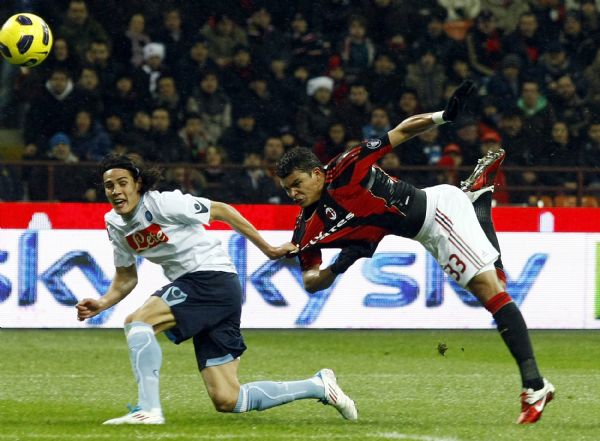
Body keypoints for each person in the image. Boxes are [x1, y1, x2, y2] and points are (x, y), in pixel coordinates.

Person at [275, 81, 554, 425]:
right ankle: (478, 200)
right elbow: (310, 282)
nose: (292, 193)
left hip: (438, 214)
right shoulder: (306, 229)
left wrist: (444, 116)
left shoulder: (345, 168)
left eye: (297, 184)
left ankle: (534, 387)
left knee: (491, 292)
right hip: (429, 234)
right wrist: (339, 265)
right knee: (494, 283)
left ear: (316, 174)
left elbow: (400, 131)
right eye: (286, 189)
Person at [75, 153, 357, 425]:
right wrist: (103, 302)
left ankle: (148, 409)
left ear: (137, 183)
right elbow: (126, 277)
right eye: (109, 185)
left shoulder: (162, 204)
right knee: (228, 398)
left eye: (122, 182)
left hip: (210, 279)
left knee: (138, 322)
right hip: (211, 290)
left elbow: (222, 210)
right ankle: (318, 386)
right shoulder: (114, 224)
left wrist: (268, 249)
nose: (115, 190)